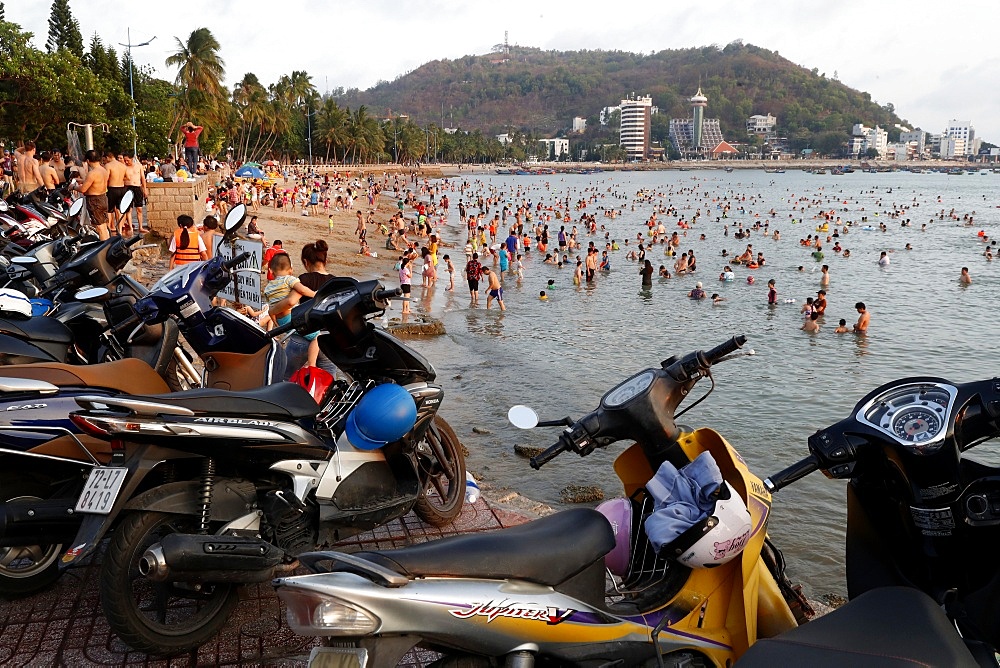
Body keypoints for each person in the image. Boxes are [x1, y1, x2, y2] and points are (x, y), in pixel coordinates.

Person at [71, 149, 110, 240]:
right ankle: (108, 244)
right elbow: (95, 183)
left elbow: (83, 189)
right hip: (103, 197)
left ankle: (104, 247)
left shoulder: (92, 173)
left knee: (100, 228)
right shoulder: (103, 170)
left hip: (95, 200)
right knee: (104, 226)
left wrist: (73, 187)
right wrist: (80, 180)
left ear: (88, 161)